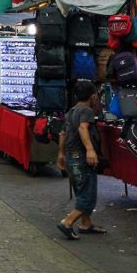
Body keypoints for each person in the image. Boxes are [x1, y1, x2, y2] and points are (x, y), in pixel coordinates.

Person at [56, 80, 106, 240]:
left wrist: (61, 154)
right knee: (88, 194)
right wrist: (90, 150)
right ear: (93, 96)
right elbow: (82, 128)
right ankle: (67, 222)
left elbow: (62, 133)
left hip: (72, 156)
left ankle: (86, 223)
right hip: (81, 157)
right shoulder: (86, 111)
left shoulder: (71, 111)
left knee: (81, 190)